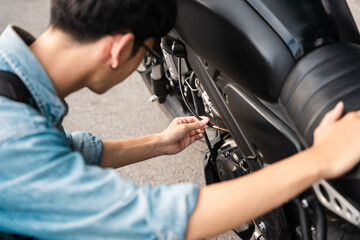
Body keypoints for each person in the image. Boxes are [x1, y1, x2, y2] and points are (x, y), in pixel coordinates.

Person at [0, 0, 359, 239]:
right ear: (121, 49)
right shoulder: (14, 139)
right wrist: (318, 160)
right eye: (146, 49)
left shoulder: (13, 78)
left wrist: (158, 142)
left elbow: (60, 150)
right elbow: (153, 221)